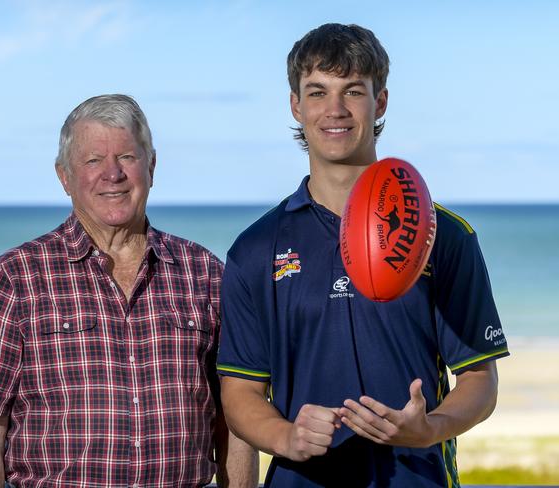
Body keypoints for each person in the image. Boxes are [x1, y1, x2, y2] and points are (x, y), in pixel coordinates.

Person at [217, 23, 509, 487]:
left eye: (353, 91)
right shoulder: (256, 249)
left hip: (418, 477)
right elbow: (240, 391)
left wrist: (430, 427)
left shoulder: (445, 235)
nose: (335, 109)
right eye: (317, 92)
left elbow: (480, 379)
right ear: (296, 105)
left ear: (381, 102)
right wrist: (286, 436)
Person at [0, 94, 258, 487]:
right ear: (64, 176)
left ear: (152, 166)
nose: (112, 174)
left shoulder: (205, 273)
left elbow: (235, 418)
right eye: (93, 160)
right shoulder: (14, 278)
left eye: (127, 157)